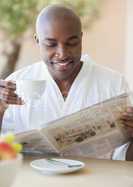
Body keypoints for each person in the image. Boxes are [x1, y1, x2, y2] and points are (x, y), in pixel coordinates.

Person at [0, 5, 133, 160]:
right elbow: (5, 154)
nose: (62, 54)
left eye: (72, 43)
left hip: (95, 181)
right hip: (33, 182)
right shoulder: (15, 85)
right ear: (37, 40)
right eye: (51, 44)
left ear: (81, 38)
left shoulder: (113, 83)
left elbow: (124, 159)